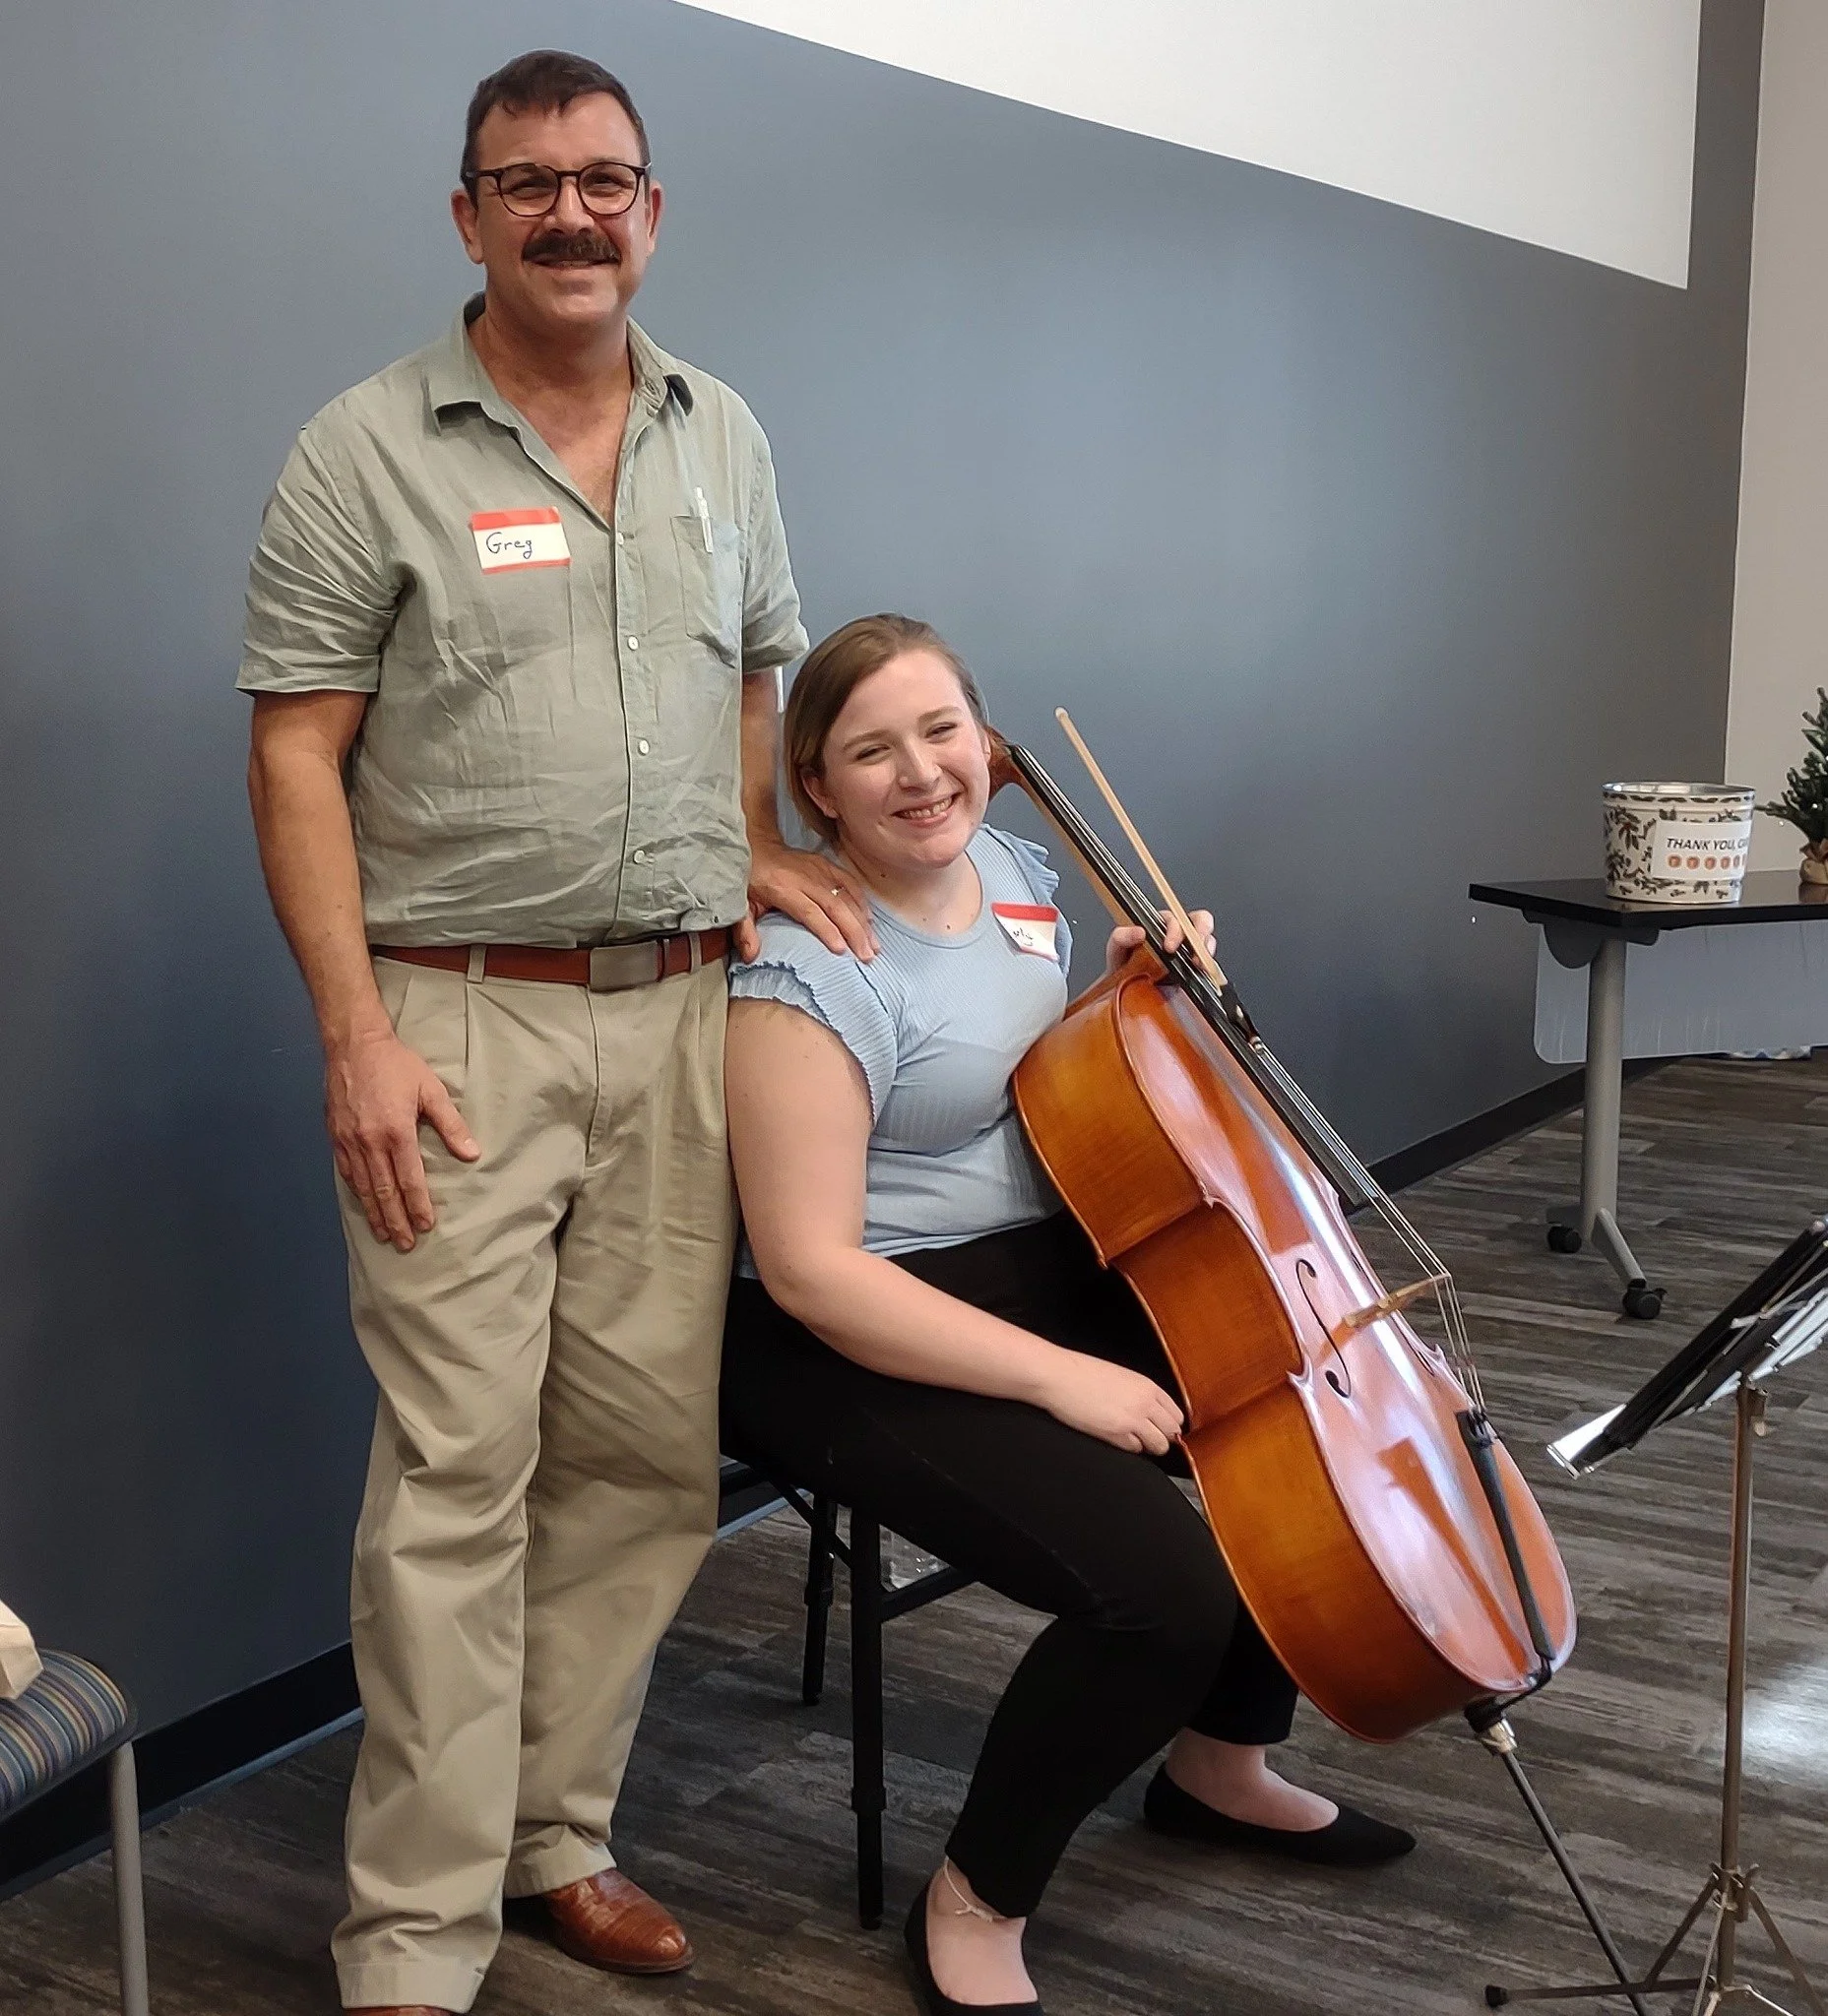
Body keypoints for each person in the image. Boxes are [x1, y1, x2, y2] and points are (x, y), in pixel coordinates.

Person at [238, 50, 874, 2016]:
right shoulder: (364, 448)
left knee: (640, 1465)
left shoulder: (721, 433)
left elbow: (759, 665)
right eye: (527, 183)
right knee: (456, 1474)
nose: (569, 214)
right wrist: (354, 1034)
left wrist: (752, 847)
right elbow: (294, 750)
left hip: (681, 1021)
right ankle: (412, 1937)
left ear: (650, 211)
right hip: (456, 1026)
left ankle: (551, 1835)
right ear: (470, 217)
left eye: (604, 180)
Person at [722, 613, 1415, 2014]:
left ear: (987, 743)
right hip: (848, 1327)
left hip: (1033, 1260)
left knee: (1284, 1409)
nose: (922, 772)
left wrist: (1137, 991)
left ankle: (1218, 1766)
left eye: (942, 731)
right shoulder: (804, 972)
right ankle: (976, 1897)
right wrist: (1057, 1378)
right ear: (817, 788)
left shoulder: (1013, 873)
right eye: (872, 750)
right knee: (1162, 1594)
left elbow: (1039, 1069)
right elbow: (809, 1270)